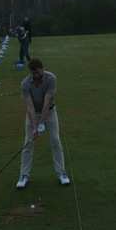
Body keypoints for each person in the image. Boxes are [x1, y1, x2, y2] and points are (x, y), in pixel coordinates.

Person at [16, 58, 70, 189]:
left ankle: (62, 173)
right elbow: (30, 107)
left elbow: (47, 102)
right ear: (30, 73)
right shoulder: (25, 84)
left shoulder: (51, 79)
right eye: (33, 74)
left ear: (42, 69)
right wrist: (35, 127)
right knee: (28, 143)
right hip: (33, 114)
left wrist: (41, 124)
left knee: (55, 140)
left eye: (38, 73)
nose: (36, 76)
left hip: (50, 112)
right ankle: (24, 175)